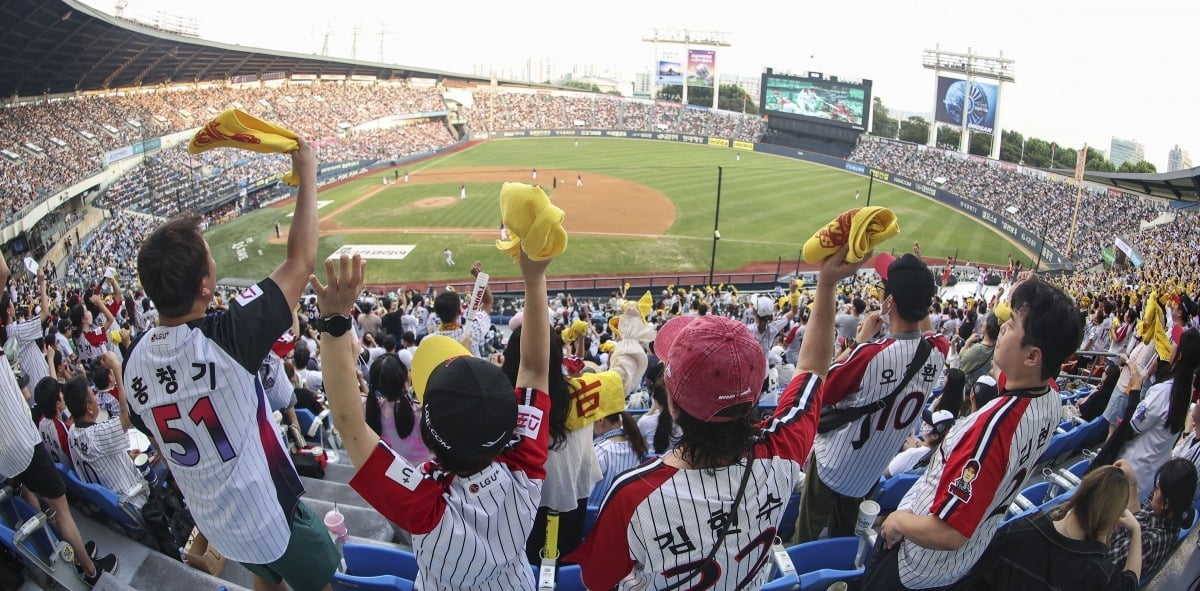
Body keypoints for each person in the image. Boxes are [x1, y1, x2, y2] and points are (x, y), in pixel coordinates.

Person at [568, 244, 864, 590]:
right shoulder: (784, 451)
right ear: (755, 397)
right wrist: (827, 285)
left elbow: (598, 581)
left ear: (673, 407)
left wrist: (825, 283)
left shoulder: (632, 494)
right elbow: (813, 368)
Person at [124, 139, 339, 591]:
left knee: (265, 577)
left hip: (214, 519)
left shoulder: (134, 361)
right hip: (269, 514)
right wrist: (309, 173)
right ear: (205, 287)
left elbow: (150, 429)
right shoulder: (228, 337)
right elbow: (300, 261)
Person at [318, 250, 553, 590]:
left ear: (427, 432)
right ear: (509, 429)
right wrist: (535, 277)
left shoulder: (424, 504)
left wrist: (335, 319)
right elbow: (533, 368)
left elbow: (346, 419)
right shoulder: (525, 465)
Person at [865, 276, 1084, 591]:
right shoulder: (1049, 397)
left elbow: (949, 532)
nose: (1002, 325)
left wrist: (897, 521)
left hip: (915, 566)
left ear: (1033, 356)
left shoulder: (991, 431)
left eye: (1013, 324)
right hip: (963, 560)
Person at [797, 253, 948, 542]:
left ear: (890, 301)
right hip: (870, 471)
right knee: (845, 536)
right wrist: (916, 289)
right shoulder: (938, 351)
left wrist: (861, 339)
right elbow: (929, 332)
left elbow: (820, 387)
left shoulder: (869, 355)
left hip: (833, 464)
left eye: (883, 288)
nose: (879, 291)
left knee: (807, 531)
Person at [0, 256, 116, 585]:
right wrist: (38, 281)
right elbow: (5, 271)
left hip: (3, 451)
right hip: (21, 436)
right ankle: (89, 570)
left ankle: (65, 547)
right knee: (59, 507)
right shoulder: (7, 329)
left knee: (28, 493)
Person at [959, 464, 1142, 590]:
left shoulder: (1021, 529)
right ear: (1112, 518)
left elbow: (973, 569)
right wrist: (1136, 531)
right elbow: (1130, 583)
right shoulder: (1099, 575)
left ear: (1081, 491)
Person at [1118, 328, 1200, 502]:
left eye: (1175, 346)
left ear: (1179, 356)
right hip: (1147, 477)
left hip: (1130, 471)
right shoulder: (1186, 392)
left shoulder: (1164, 392)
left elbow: (1131, 428)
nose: (1171, 348)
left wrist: (1135, 391)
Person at [63, 368, 149, 510]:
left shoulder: (72, 432)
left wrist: (127, 456)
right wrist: (116, 367)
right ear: (89, 409)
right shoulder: (97, 435)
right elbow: (127, 415)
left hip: (109, 501)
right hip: (134, 499)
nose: (96, 399)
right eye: (93, 396)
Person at [1107, 458, 1197, 577]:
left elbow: (1104, 562)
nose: (1152, 492)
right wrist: (1132, 481)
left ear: (1166, 503)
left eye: (1157, 490)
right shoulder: (1170, 513)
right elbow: (1139, 514)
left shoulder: (1148, 542)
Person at [363, 354, 428, 465]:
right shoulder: (422, 412)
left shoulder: (366, 408)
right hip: (424, 474)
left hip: (389, 473)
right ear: (406, 383)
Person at [588, 411, 648, 506]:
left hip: (595, 514)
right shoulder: (634, 444)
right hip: (624, 511)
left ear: (601, 420)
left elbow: (583, 491)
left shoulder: (599, 450)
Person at [885, 410, 956, 478]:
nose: (923, 423)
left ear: (935, 436)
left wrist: (907, 451)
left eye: (927, 424)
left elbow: (885, 474)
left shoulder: (912, 454)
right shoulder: (939, 456)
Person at [33, 377, 73, 468]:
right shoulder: (64, 432)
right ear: (57, 404)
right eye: (60, 392)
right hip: (72, 473)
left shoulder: (41, 422)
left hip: (60, 474)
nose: (63, 395)